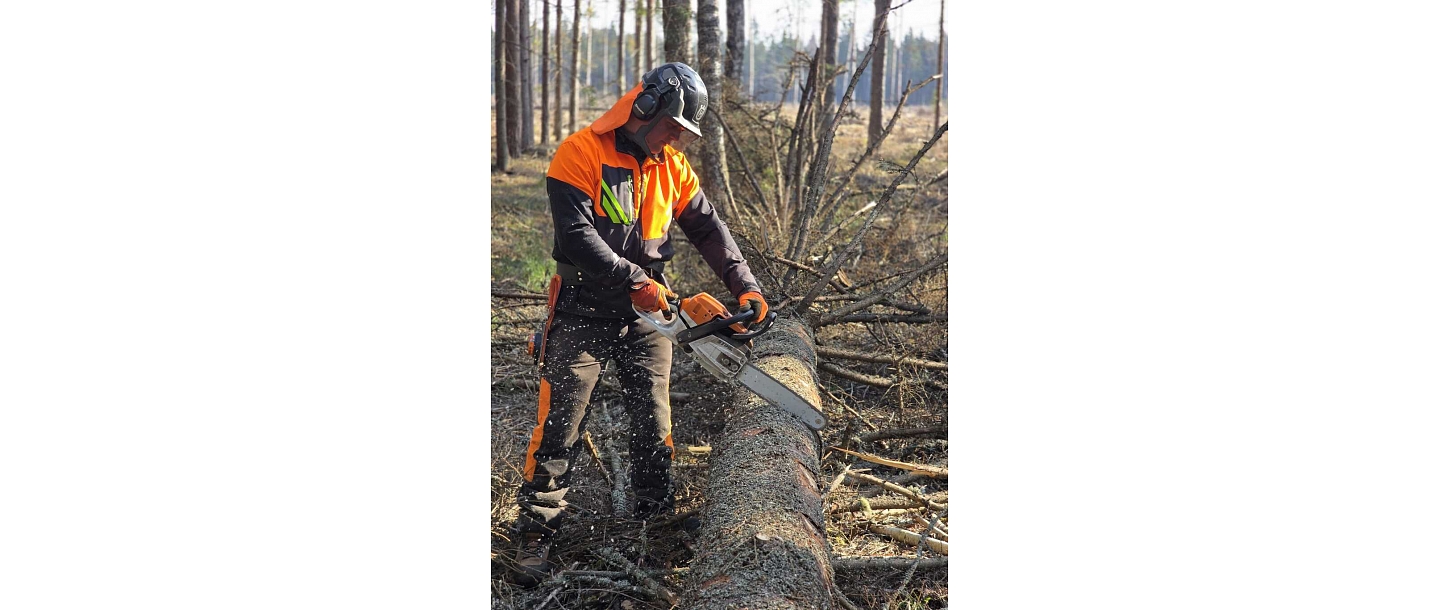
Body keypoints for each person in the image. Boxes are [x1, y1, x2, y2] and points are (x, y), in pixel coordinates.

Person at [511, 62, 769, 585]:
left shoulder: (670, 166)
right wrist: (633, 278)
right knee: (559, 421)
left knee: (653, 421)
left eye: (683, 131)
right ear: (644, 107)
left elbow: (706, 226)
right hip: (584, 305)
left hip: (647, 312)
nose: (677, 138)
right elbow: (578, 237)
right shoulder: (579, 152)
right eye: (673, 126)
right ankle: (537, 530)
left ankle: (653, 519)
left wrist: (746, 285)